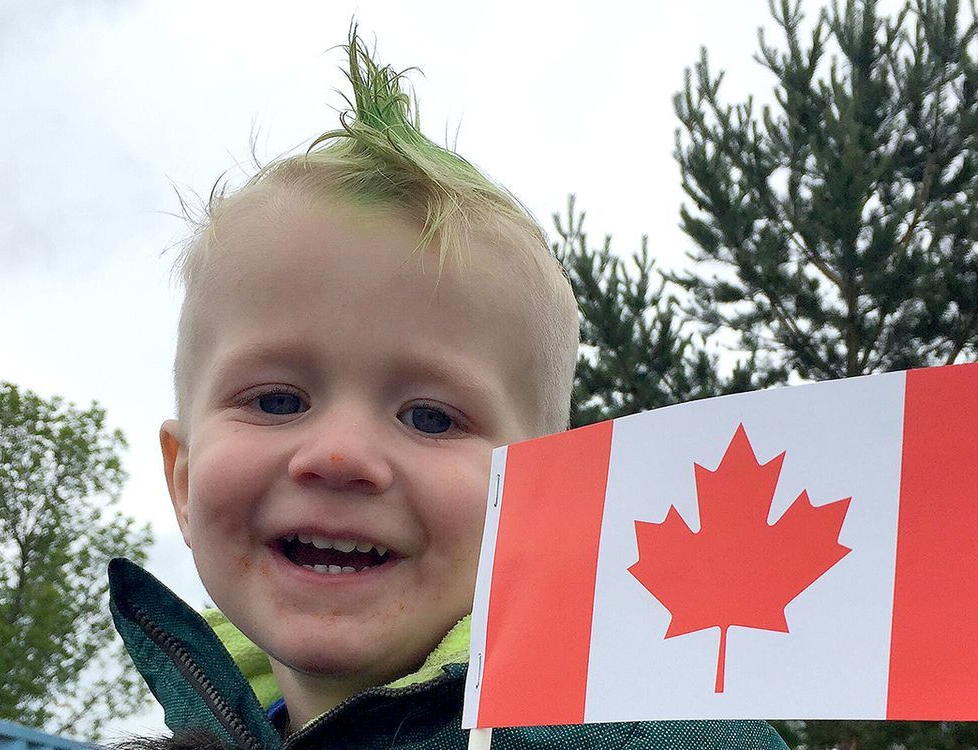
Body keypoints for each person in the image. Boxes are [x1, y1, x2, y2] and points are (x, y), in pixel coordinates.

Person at [108, 32, 788, 750]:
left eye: (430, 417)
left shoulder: (636, 727)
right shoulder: (202, 730)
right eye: (278, 401)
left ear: (544, 499)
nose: (338, 455)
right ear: (182, 482)